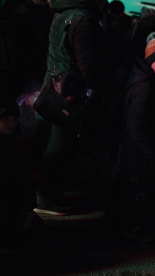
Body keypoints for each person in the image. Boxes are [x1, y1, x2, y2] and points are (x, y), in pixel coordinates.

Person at [35, 0, 113, 215]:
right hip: (72, 93)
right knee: (60, 144)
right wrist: (101, 90)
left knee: (58, 142)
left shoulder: (63, 13)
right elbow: (89, 64)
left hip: (57, 88)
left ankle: (49, 192)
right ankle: (47, 196)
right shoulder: (83, 18)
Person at [104, 32, 155, 242]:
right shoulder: (145, 88)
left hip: (131, 150)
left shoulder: (145, 80)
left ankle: (112, 220)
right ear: (148, 61)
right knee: (129, 191)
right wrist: (150, 153)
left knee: (123, 186)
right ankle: (128, 227)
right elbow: (136, 127)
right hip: (137, 152)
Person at [0, 94, 43, 250]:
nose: (12, 123)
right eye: (5, 119)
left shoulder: (15, 145)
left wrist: (28, 208)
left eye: (14, 118)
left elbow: (24, 179)